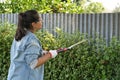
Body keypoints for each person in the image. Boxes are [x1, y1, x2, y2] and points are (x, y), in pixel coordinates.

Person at [7, 10, 58, 80]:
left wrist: (42, 52)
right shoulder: (31, 40)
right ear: (33, 24)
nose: (42, 21)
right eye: (40, 19)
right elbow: (33, 64)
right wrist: (50, 55)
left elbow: (22, 54)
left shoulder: (19, 36)